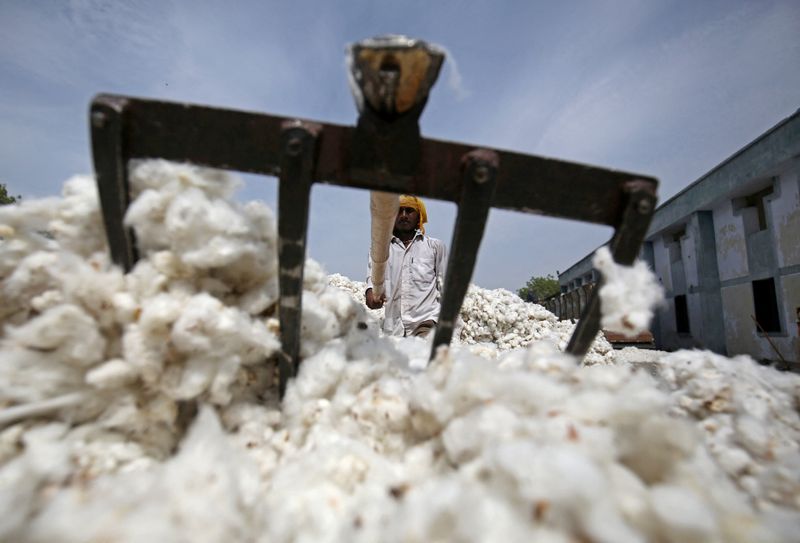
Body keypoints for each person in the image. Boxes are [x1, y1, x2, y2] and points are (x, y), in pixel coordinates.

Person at [365, 195, 447, 337]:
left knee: (423, 356)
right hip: (394, 328)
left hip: (426, 322)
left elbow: (445, 287)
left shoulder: (434, 247)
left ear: (419, 216)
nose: (403, 216)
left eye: (409, 211)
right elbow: (371, 282)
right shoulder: (379, 249)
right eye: (399, 211)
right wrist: (371, 296)